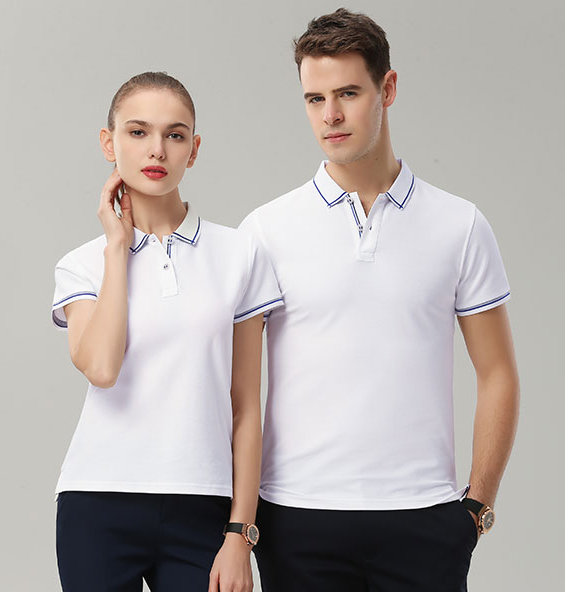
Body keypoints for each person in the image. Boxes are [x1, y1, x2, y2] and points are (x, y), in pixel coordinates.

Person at [239, 9, 520, 591]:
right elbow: (238, 390)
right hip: (297, 518)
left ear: (387, 89)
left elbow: (498, 373)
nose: (330, 115)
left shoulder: (460, 225)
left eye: (348, 93)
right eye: (315, 99)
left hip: (425, 519)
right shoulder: (266, 230)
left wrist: (476, 508)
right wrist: (243, 524)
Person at [51, 71, 283, 592]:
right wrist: (118, 247)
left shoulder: (239, 255)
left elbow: (246, 405)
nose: (157, 149)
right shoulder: (81, 265)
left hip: (203, 507)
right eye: (138, 132)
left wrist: (240, 533)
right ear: (108, 142)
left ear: (193, 150)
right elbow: (102, 368)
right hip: (97, 501)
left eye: (175, 135)